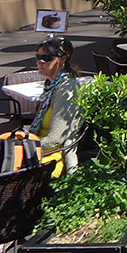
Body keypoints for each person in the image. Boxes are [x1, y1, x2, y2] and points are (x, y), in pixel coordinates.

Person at [30, 35, 83, 175]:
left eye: (46, 58)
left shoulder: (66, 89)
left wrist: (23, 148)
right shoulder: (52, 85)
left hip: (52, 161)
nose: (39, 62)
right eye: (38, 57)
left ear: (63, 59)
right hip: (39, 153)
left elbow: (54, 140)